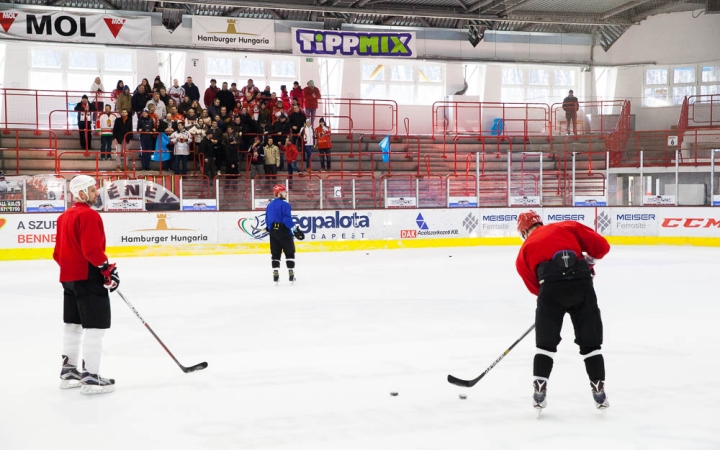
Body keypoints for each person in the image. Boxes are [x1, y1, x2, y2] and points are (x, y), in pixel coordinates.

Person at [515, 211, 611, 411]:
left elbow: (536, 289)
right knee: (591, 343)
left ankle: (539, 393)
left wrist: (550, 302)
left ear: (524, 231)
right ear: (540, 222)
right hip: (582, 286)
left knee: (545, 345)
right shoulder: (566, 227)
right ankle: (599, 391)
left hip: (550, 292)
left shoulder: (523, 252)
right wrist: (589, 262)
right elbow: (602, 246)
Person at [53, 175, 119, 395]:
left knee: (73, 326)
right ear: (81, 193)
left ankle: (69, 372)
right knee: (95, 327)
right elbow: (91, 251)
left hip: (68, 279)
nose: (96, 193)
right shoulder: (89, 215)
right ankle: (91, 377)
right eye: (92, 190)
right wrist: (105, 270)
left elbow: (57, 254)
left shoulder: (64, 217)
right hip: (88, 277)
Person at [265, 184, 305, 284]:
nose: (286, 193)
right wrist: (296, 230)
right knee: (289, 252)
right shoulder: (285, 205)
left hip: (273, 233)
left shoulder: (269, 205)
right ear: (278, 193)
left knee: (275, 254)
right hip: (284, 232)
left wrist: (269, 228)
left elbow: (268, 220)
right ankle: (291, 273)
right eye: (284, 191)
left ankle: (275, 273)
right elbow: (286, 220)